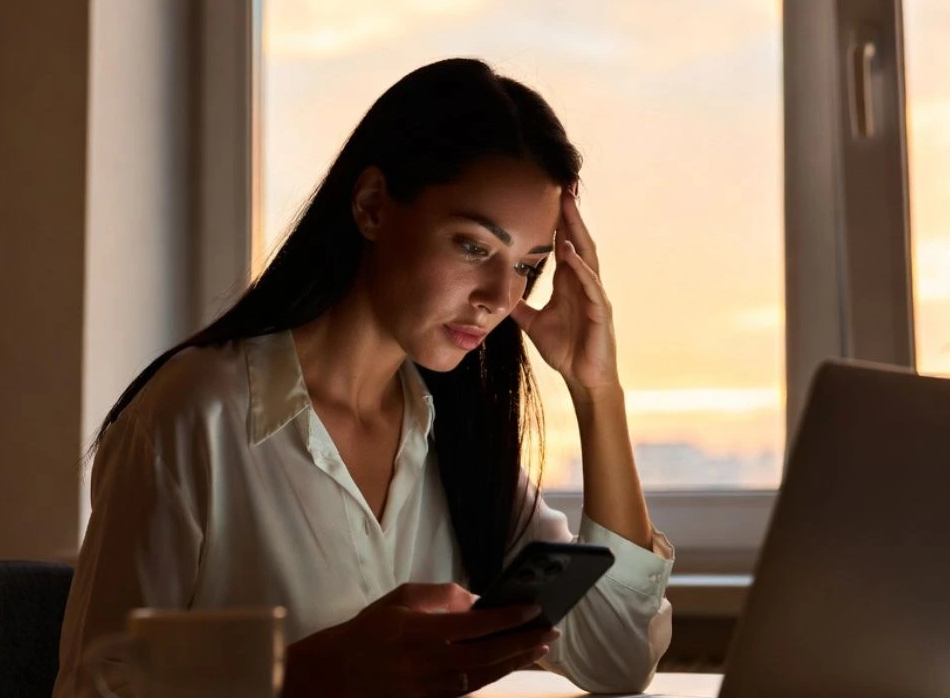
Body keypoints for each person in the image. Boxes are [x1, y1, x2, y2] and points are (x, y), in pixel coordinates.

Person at [52, 58, 674, 698]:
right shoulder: (196, 413)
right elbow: (94, 688)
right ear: (374, 205)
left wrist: (598, 391)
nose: (498, 296)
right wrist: (307, 675)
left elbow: (616, 655)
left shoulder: (459, 437)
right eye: (472, 246)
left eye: (526, 265)